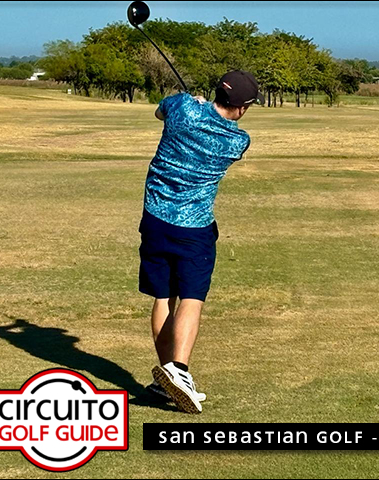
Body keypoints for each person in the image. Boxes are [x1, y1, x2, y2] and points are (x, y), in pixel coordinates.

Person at [139, 71, 264, 413]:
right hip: (194, 228)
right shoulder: (238, 141)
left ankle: (166, 378)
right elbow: (217, 129)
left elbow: (160, 112)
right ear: (241, 107)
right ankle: (178, 370)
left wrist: (192, 103)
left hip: (155, 218)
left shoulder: (182, 107)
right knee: (191, 299)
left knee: (164, 297)